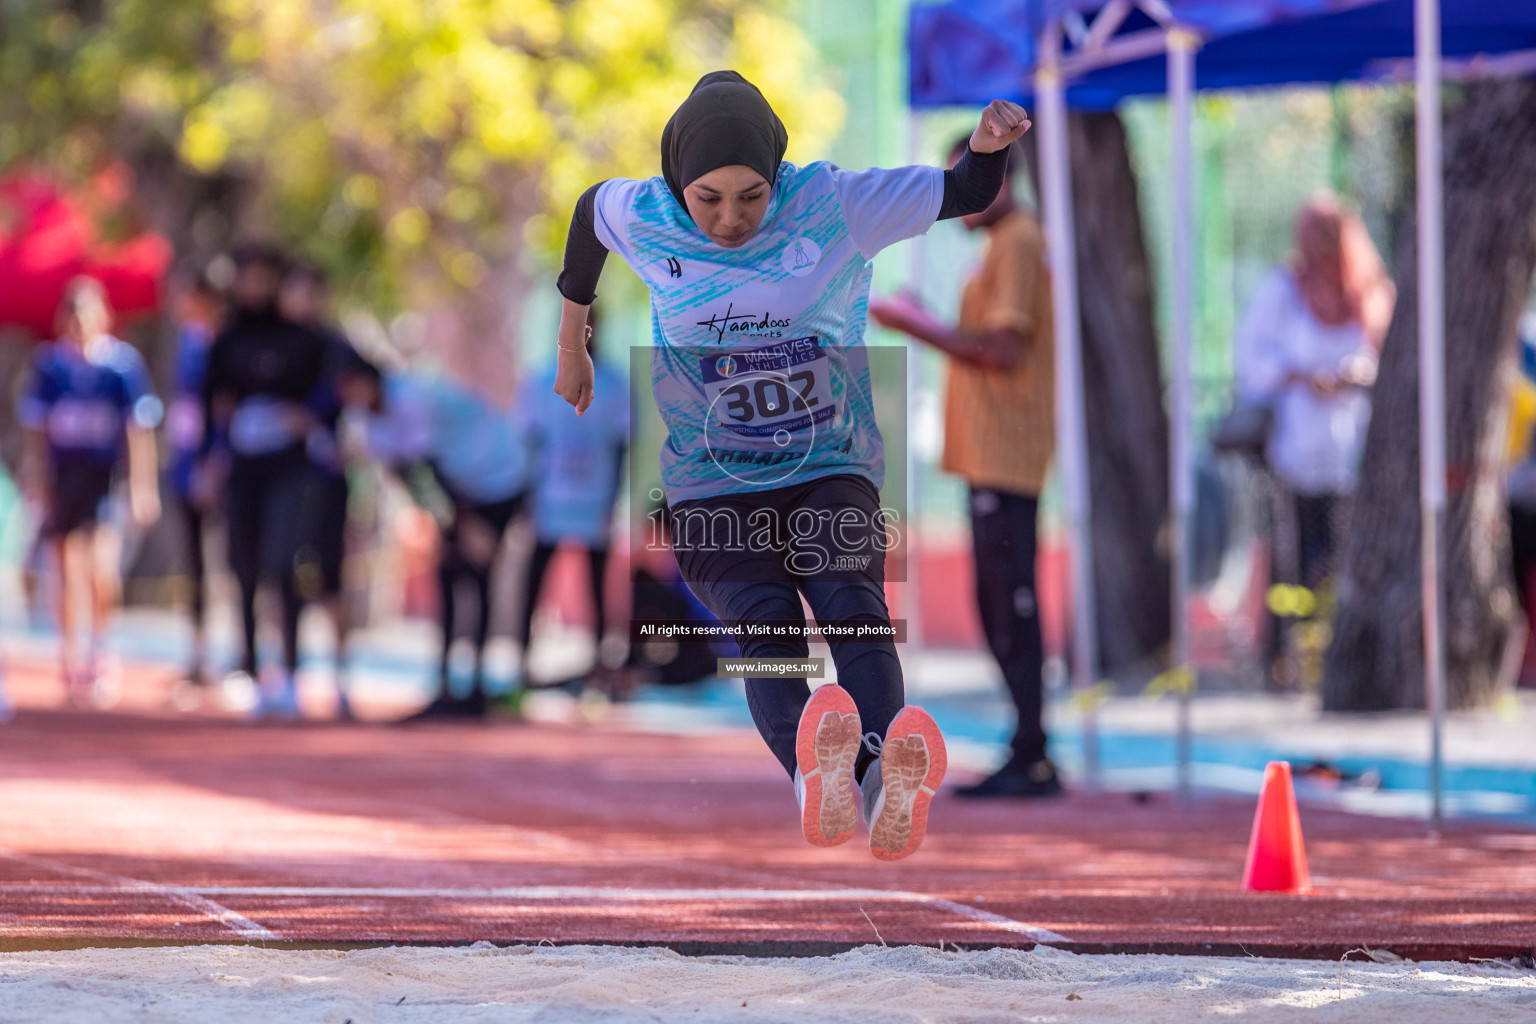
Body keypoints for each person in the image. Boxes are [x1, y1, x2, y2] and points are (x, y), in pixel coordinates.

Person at [552, 70, 1029, 860]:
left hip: (829, 460)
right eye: (708, 199)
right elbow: (584, 217)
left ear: (778, 176)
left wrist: (986, 149)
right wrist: (574, 344)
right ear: (679, 184)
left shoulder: (832, 202)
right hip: (712, 479)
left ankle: (880, 784)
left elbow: (964, 193)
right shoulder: (644, 212)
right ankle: (817, 779)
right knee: (766, 627)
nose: (731, 219)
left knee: (854, 609)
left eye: (751, 196)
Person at [868, 136, 1061, 799]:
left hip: (1010, 451)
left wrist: (915, 325)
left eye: (970, 176)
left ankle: (1033, 749)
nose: (961, 194)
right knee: (997, 601)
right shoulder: (1000, 247)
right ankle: (1026, 744)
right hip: (988, 452)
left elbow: (1004, 349)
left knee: (1011, 602)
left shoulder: (1020, 241)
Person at [335, 354, 531, 720]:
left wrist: (468, 527)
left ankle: (474, 687)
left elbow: (428, 468)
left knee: (478, 575)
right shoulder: (366, 420)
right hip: (457, 492)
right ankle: (445, 685)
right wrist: (450, 524)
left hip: (497, 477)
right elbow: (407, 475)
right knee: (448, 576)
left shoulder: (410, 398)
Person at [18, 277, 162, 704]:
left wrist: (142, 486)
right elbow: (36, 430)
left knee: (101, 567)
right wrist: (37, 480)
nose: (80, 324)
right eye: (72, 314)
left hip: (104, 478)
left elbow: (140, 430)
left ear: (104, 317)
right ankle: (69, 653)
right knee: (65, 567)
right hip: (65, 477)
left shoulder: (122, 366)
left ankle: (102, 648)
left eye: (88, 314)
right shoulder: (50, 365)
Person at [202, 242, 330, 719]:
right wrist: (209, 459)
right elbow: (210, 399)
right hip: (242, 468)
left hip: (289, 469)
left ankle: (292, 674)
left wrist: (308, 417)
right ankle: (252, 670)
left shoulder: (304, 338)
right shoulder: (228, 338)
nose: (254, 285)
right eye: (246, 275)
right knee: (244, 569)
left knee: (283, 564)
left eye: (263, 275)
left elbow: (333, 389)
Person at [516, 312, 629, 693]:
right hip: (550, 499)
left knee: (597, 588)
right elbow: (530, 443)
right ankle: (521, 662)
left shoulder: (614, 383)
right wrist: (527, 498)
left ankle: (599, 668)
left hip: (594, 501)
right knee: (532, 583)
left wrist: (612, 501)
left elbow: (620, 446)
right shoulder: (540, 378)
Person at [278, 260, 358, 718]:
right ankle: (287, 677)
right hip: (285, 480)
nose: (301, 302)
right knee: (283, 576)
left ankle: (340, 679)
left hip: (327, 481)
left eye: (309, 292)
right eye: (294, 292)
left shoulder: (337, 349)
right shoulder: (271, 345)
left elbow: (354, 402)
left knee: (332, 581)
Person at [164, 267, 226, 689]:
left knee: (229, 558)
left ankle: (239, 651)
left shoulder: (225, 343)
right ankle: (198, 652)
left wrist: (215, 464)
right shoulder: (186, 340)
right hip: (185, 463)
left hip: (217, 466)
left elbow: (222, 410)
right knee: (193, 560)